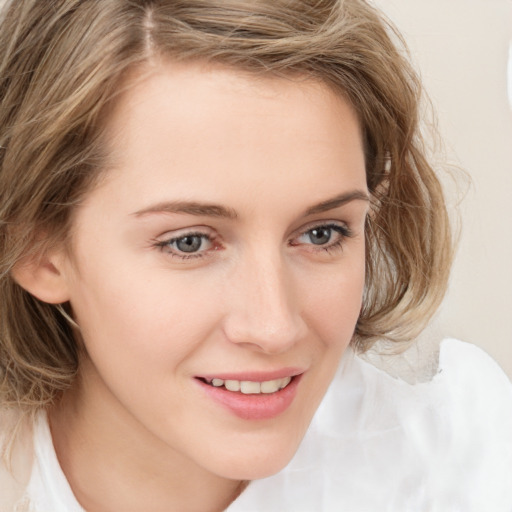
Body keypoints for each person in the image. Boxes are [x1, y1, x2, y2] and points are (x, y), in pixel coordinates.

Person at [0, 1, 510, 511]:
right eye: (190, 242)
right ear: (39, 252)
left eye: (321, 234)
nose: (274, 328)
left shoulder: (464, 467)